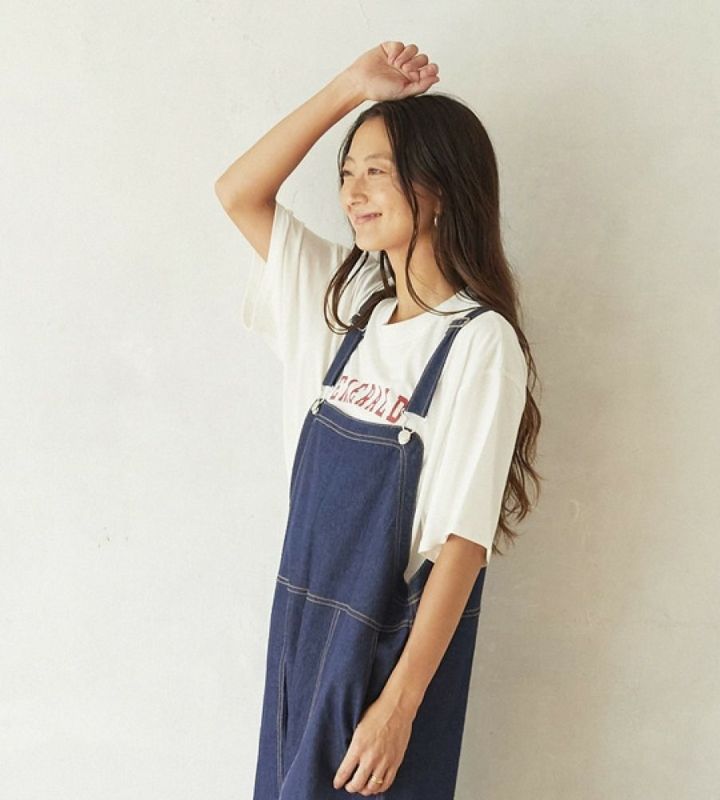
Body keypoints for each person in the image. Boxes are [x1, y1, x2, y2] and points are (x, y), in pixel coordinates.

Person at [215, 40, 542, 799]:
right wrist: (349, 89)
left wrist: (398, 707)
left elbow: (463, 543)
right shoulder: (346, 307)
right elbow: (239, 192)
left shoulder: (480, 342)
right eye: (346, 173)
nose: (352, 193)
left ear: (439, 189)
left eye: (377, 172)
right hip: (299, 635)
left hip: (384, 651)